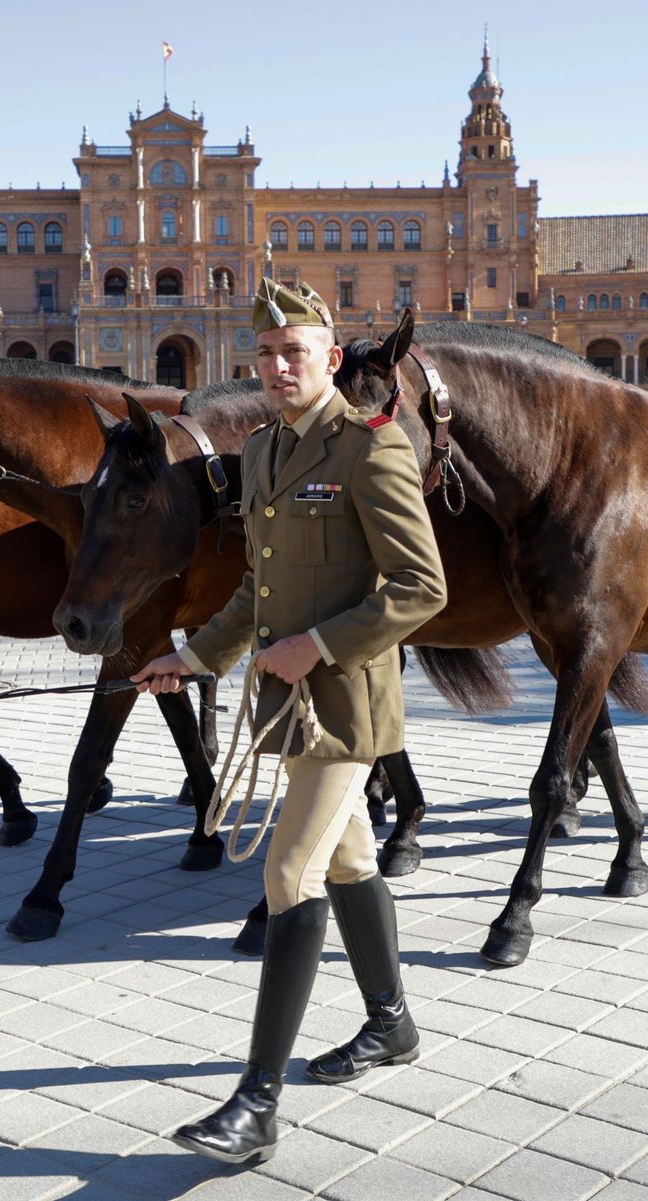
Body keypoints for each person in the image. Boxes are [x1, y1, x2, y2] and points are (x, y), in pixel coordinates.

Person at [132, 279, 447, 1166]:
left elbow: (421, 589)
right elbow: (257, 589)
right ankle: (391, 1022)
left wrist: (318, 644)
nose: (276, 366)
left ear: (331, 358)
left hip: (343, 703)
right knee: (347, 859)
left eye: (293, 351)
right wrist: (194, 657)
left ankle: (255, 1103)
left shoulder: (371, 450)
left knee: (289, 871)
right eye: (265, 353)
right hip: (285, 702)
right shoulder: (265, 451)